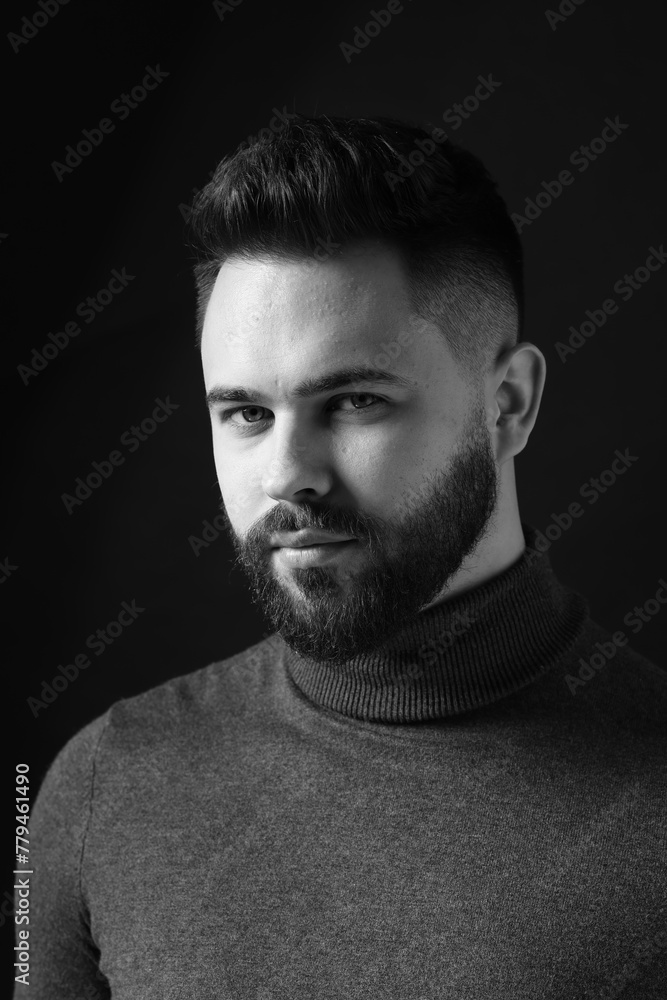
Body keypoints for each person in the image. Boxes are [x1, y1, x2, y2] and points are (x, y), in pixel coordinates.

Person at [16, 115, 666, 999]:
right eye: (245, 413)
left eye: (355, 400)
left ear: (508, 404)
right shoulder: (95, 786)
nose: (286, 473)